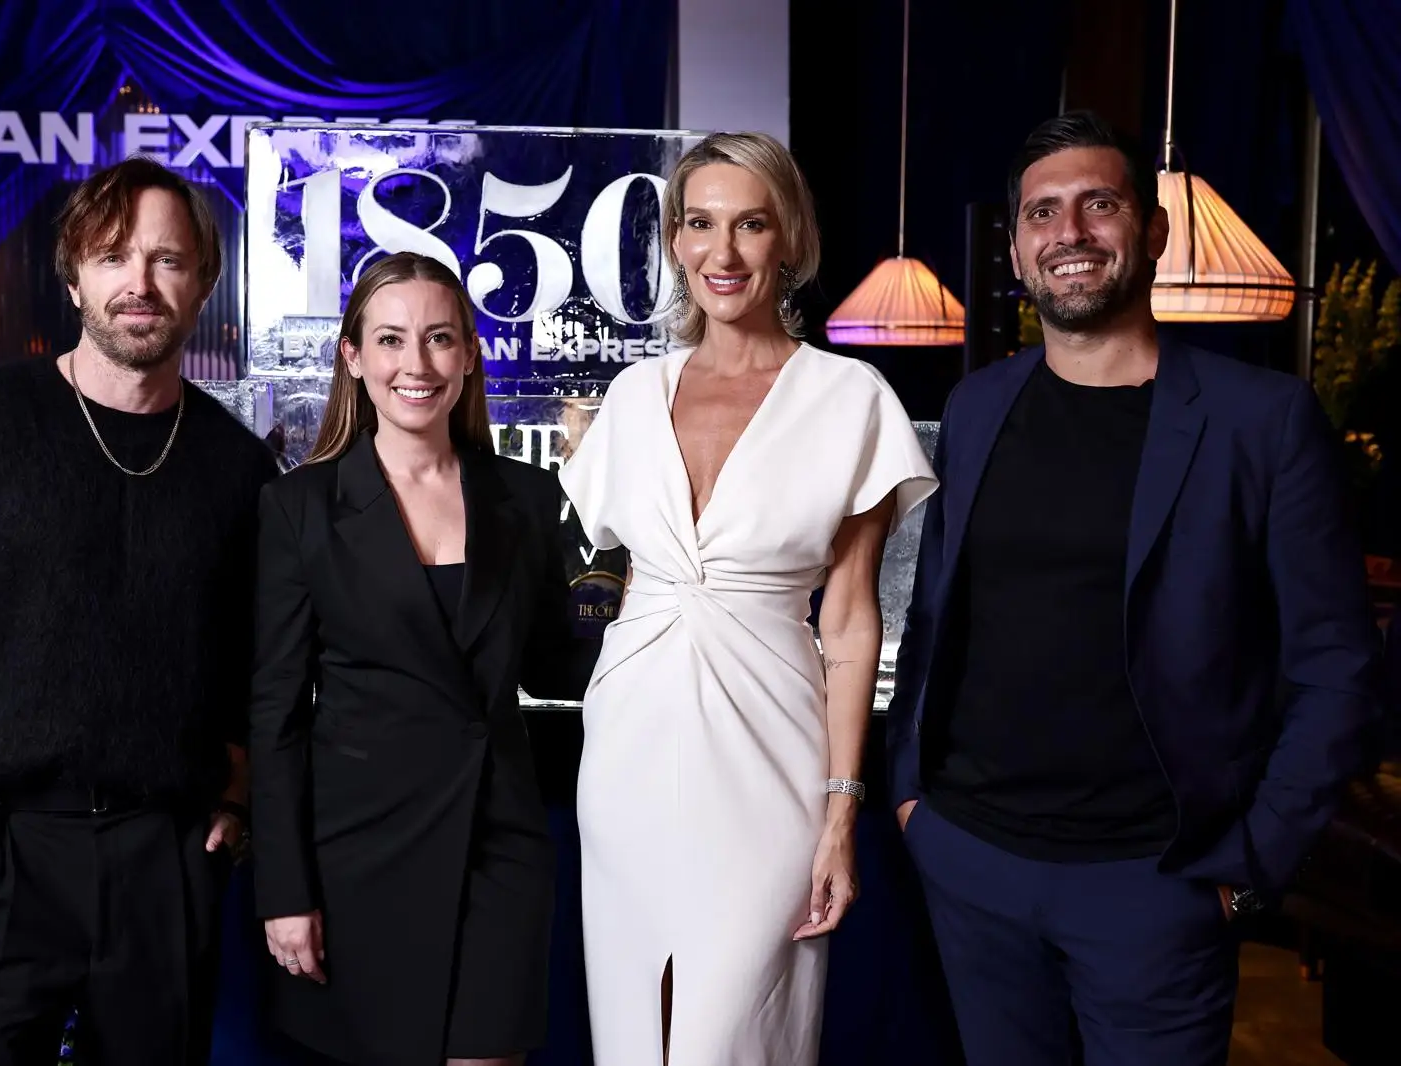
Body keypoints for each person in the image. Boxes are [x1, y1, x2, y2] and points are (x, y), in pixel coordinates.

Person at [887, 110, 1382, 1066]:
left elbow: (1337, 670)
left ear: (1150, 233)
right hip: (972, 861)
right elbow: (937, 609)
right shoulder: (979, 404)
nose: (1067, 233)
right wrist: (913, 799)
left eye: (1097, 205)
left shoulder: (1262, 422)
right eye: (1042, 213)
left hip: (1155, 882)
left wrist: (1244, 872)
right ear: (1020, 248)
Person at [0, 157, 277, 1066]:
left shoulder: (236, 467)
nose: (138, 284)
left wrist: (235, 789)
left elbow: (260, 655)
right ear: (73, 278)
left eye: (166, 260)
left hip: (162, 855)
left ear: (206, 282)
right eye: (111, 258)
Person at [558, 132, 937, 1065]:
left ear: (789, 241)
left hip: (772, 760)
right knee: (637, 1030)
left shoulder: (851, 400)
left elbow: (850, 624)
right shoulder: (633, 395)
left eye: (750, 225)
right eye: (699, 224)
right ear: (677, 242)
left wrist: (841, 811)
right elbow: (633, 576)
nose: (722, 253)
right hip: (628, 757)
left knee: (735, 1029)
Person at [250, 251, 596, 1066]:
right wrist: (286, 892)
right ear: (354, 357)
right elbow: (274, 718)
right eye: (392, 340)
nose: (417, 363)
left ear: (471, 353)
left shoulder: (526, 496)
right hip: (355, 860)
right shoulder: (299, 508)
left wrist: (643, 600)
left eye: (440, 339)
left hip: (496, 842)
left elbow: (554, 667)